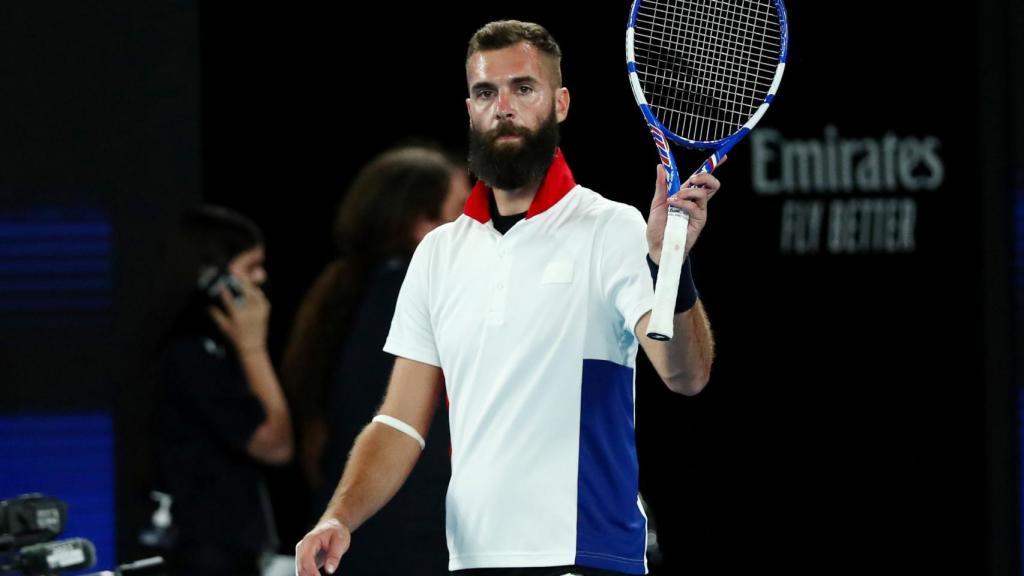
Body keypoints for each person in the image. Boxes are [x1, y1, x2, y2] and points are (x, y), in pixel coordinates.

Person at [295, 20, 717, 576]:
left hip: (583, 555)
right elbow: (399, 423)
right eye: (486, 92)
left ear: (560, 103)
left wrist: (669, 267)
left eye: (524, 88)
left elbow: (685, 374)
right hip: (471, 561)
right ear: (470, 108)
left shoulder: (610, 228)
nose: (504, 107)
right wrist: (339, 518)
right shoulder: (439, 254)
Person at [282, 145, 470, 574]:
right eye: (458, 210)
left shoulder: (347, 295)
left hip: (362, 543)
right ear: (419, 224)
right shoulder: (404, 294)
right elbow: (409, 436)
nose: (473, 224)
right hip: (405, 545)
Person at [153, 205, 293, 576]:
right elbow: (275, 444)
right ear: (212, 277)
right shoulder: (193, 350)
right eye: (250, 267)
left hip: (230, 545)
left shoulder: (211, 344)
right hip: (209, 552)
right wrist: (254, 348)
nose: (261, 278)